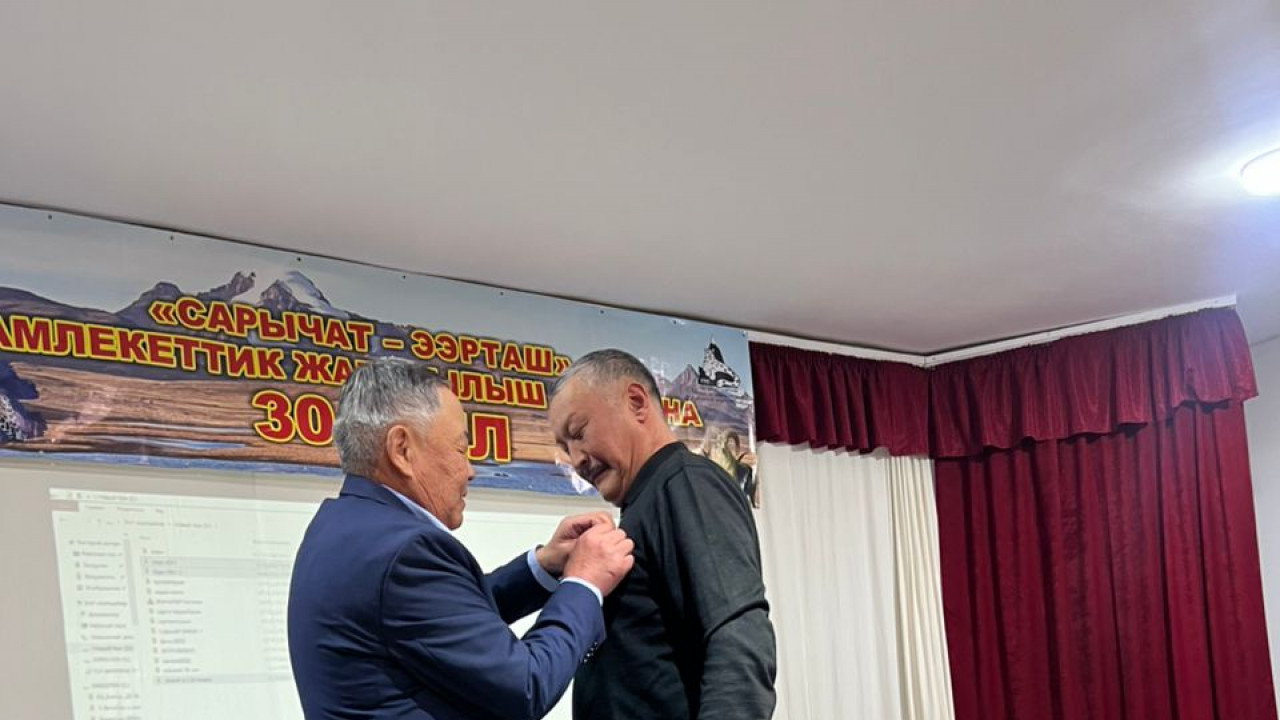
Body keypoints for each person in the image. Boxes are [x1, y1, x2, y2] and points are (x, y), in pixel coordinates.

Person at [288, 357, 634, 720]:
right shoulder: (404, 552)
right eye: (461, 449)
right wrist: (584, 583)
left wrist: (544, 565)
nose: (470, 471)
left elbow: (449, 622)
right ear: (402, 449)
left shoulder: (342, 526)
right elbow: (525, 686)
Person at [548, 349, 776, 720]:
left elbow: (738, 636)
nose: (576, 459)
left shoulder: (687, 483)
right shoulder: (650, 499)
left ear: (637, 402)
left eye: (579, 433)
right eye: (565, 447)